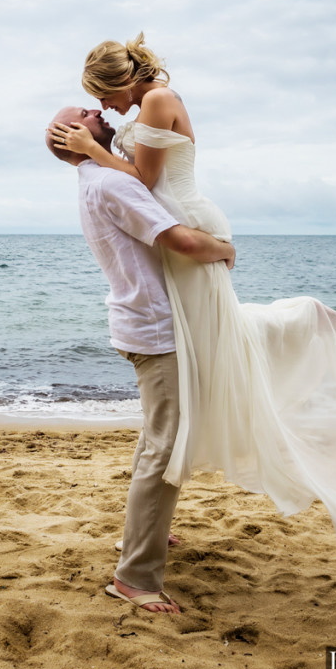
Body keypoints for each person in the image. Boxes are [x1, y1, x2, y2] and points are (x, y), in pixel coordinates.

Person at [49, 33, 336, 555]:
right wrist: (94, 152)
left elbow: (145, 179)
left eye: (103, 95)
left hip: (185, 221)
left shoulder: (154, 98)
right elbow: (138, 183)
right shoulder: (142, 107)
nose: (105, 106)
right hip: (173, 223)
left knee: (214, 342)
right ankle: (149, 523)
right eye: (97, 103)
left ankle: (307, 319)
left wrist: (90, 151)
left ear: (121, 80)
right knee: (205, 347)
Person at [46, 105, 235, 613]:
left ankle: (144, 532)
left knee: (157, 437)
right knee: (165, 446)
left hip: (139, 322)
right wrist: (223, 249)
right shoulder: (111, 184)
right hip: (154, 329)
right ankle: (135, 578)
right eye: (80, 114)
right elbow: (178, 238)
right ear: (74, 137)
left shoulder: (96, 179)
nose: (93, 109)